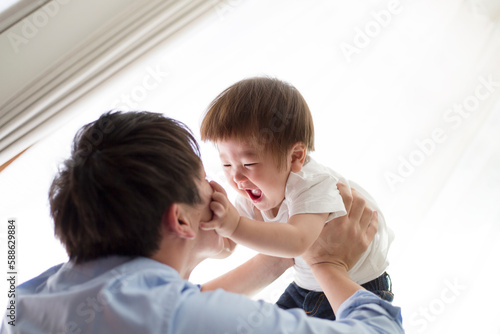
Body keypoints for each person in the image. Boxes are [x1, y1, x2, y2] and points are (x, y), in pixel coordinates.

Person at [1, 111, 403, 333]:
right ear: (179, 218)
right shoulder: (177, 320)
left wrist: (285, 249)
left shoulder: (31, 300)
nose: (220, 186)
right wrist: (328, 265)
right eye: (205, 179)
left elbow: (167, 301)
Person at [200, 77, 395, 320]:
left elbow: (297, 241)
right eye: (226, 164)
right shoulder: (253, 196)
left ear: (295, 157)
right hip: (307, 288)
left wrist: (234, 225)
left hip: (358, 288)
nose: (236, 176)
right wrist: (211, 221)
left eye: (249, 163)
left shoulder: (311, 183)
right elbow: (226, 246)